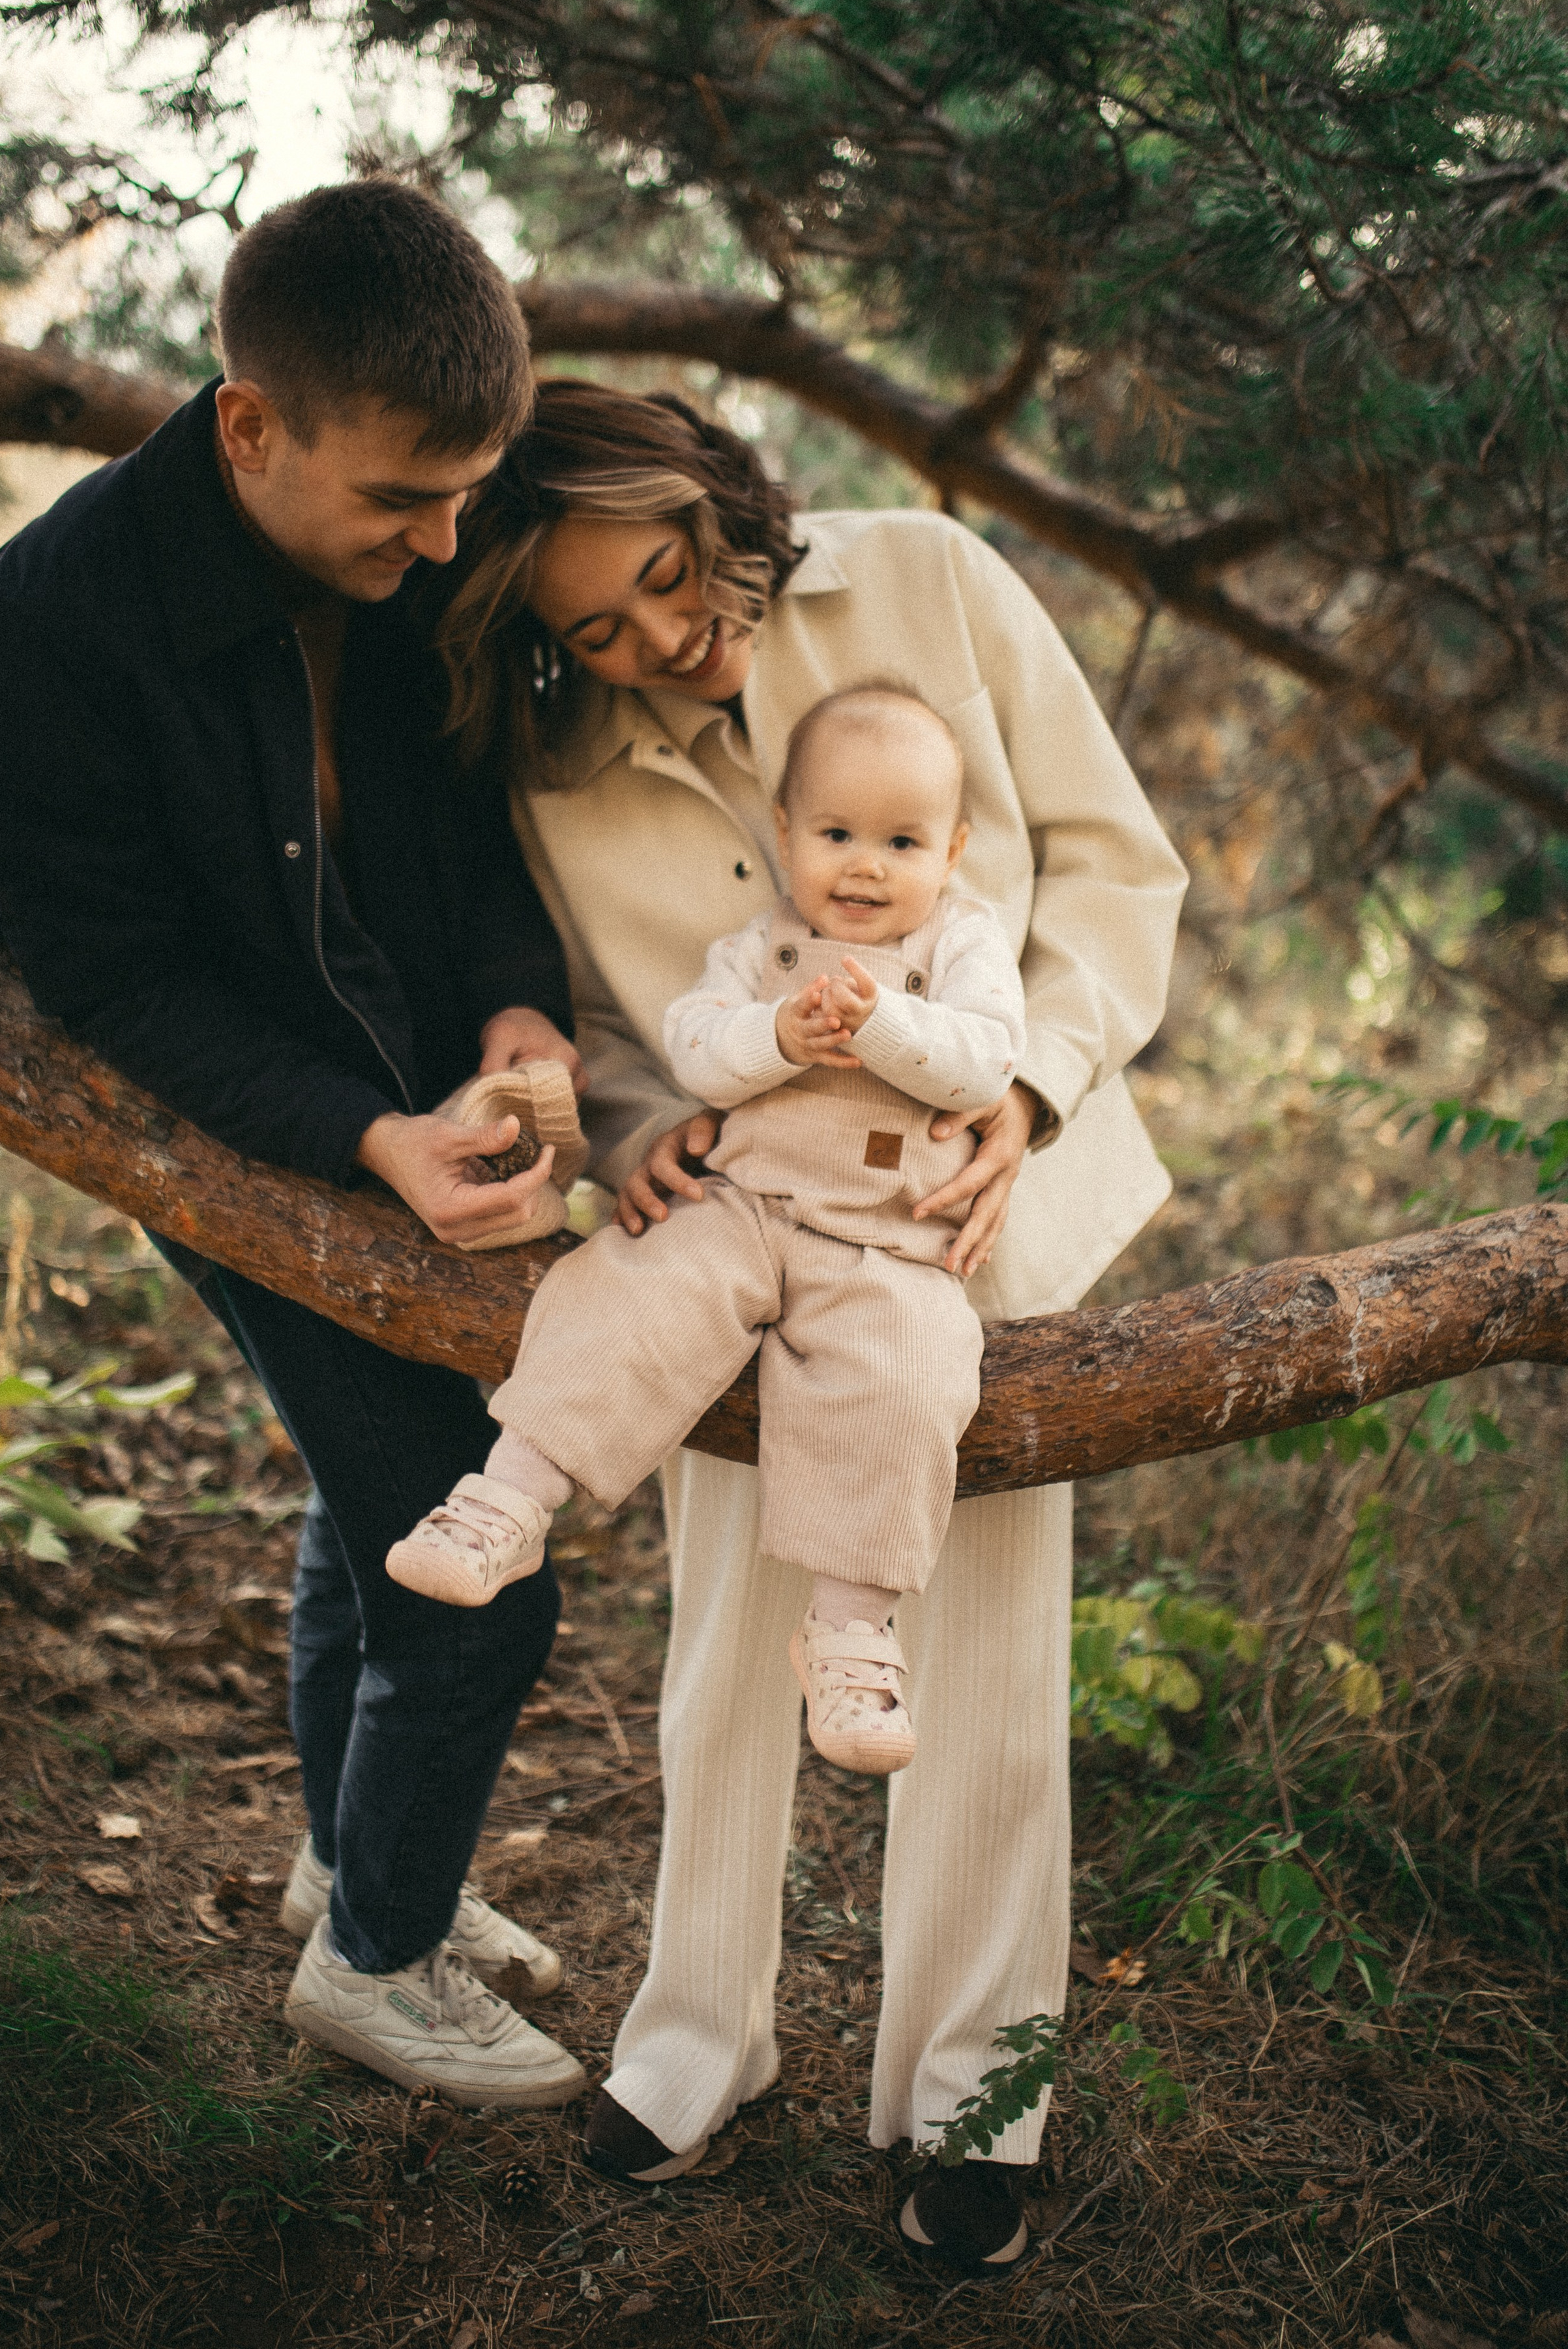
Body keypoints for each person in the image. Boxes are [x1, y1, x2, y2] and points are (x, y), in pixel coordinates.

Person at [424, 380, 1187, 2273]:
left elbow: (1113, 867)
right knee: (724, 1659)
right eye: (599, 625)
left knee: (979, 1678)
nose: (670, 640)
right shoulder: (559, 764)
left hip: (969, 1237)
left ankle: (974, 2101)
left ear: (716, 485)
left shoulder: (931, 576)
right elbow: (605, 1027)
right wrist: (633, 1129)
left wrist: (1035, 1090)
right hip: (725, 1250)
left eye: (680, 577)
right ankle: (695, 2047)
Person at [0, 181, 591, 2110]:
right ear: (248, 424)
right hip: (236, 1133)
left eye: (467, 495)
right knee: (479, 1573)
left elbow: (462, 840)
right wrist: (367, 1134)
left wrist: (519, 1017)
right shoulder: (19, 647)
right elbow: (114, 997)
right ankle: (374, 1968)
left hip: (419, 1088)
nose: (448, 541)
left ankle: (350, 1861)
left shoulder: (415, 547)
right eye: (402, 503)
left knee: (363, 1509)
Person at [386, 682, 1027, 1781]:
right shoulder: (761, 950)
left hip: (883, 1241)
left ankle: (852, 1634)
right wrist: (780, 1031)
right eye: (835, 835)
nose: (865, 866)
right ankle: (506, 1497)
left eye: (901, 841)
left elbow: (985, 1060)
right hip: (742, 1206)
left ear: (954, 850)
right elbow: (696, 1051)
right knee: (629, 1286)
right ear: (785, 835)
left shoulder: (962, 947)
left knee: (912, 1379)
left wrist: (881, 1023)